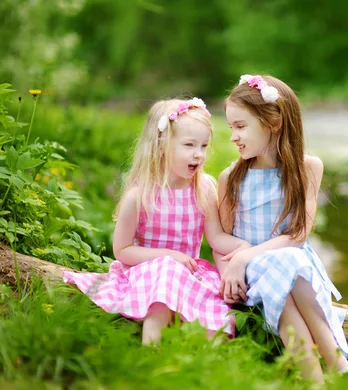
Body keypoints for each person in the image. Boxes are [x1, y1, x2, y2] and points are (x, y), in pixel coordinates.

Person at [63, 98, 249, 345]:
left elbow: (215, 238)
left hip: (190, 271)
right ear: (161, 145)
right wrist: (168, 257)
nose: (198, 154)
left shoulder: (204, 189)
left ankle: (207, 364)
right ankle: (152, 351)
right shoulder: (141, 196)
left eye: (203, 146)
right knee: (166, 277)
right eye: (189, 145)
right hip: (148, 271)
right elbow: (122, 250)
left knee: (217, 308)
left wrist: (243, 249)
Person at [214, 74, 348, 384]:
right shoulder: (231, 178)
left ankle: (316, 384)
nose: (233, 137)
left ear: (274, 122)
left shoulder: (307, 168)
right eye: (231, 128)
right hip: (253, 276)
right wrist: (233, 266)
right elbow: (221, 236)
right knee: (284, 267)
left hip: (295, 269)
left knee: (287, 265)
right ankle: (338, 366)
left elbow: (298, 235)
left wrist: (243, 256)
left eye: (240, 126)